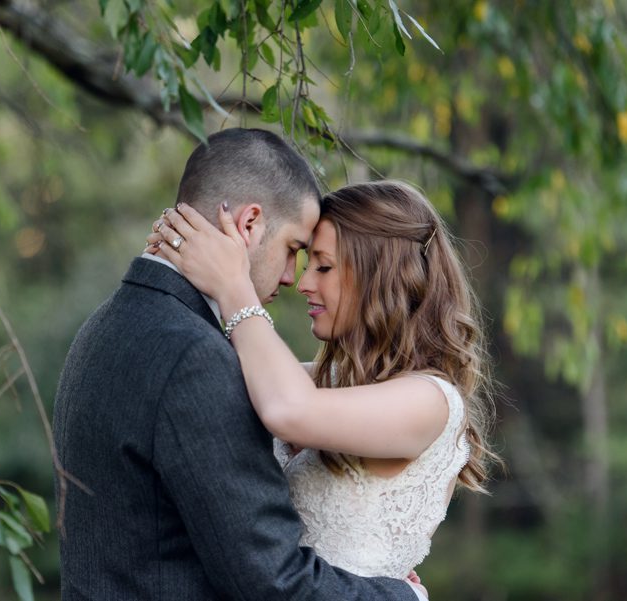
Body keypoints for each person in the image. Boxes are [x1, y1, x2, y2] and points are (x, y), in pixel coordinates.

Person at [53, 129, 422, 600]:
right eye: (293, 249)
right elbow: (272, 581)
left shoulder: (106, 324)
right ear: (249, 224)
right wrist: (402, 597)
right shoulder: (194, 359)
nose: (292, 277)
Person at [148, 179, 498, 585]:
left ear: (381, 275)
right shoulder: (330, 381)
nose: (304, 284)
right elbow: (223, 376)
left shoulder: (429, 401)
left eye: (324, 266)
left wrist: (234, 286)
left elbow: (285, 409)